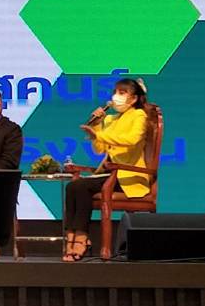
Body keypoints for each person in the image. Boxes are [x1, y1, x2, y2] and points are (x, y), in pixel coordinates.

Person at [61, 77, 155, 262]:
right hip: (110, 173)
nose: (116, 97)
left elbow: (132, 140)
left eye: (122, 93)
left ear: (134, 98)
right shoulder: (112, 119)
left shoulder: (139, 116)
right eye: (115, 92)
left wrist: (100, 134)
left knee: (81, 186)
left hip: (128, 176)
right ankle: (73, 236)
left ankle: (81, 238)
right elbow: (100, 149)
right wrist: (96, 125)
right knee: (73, 186)